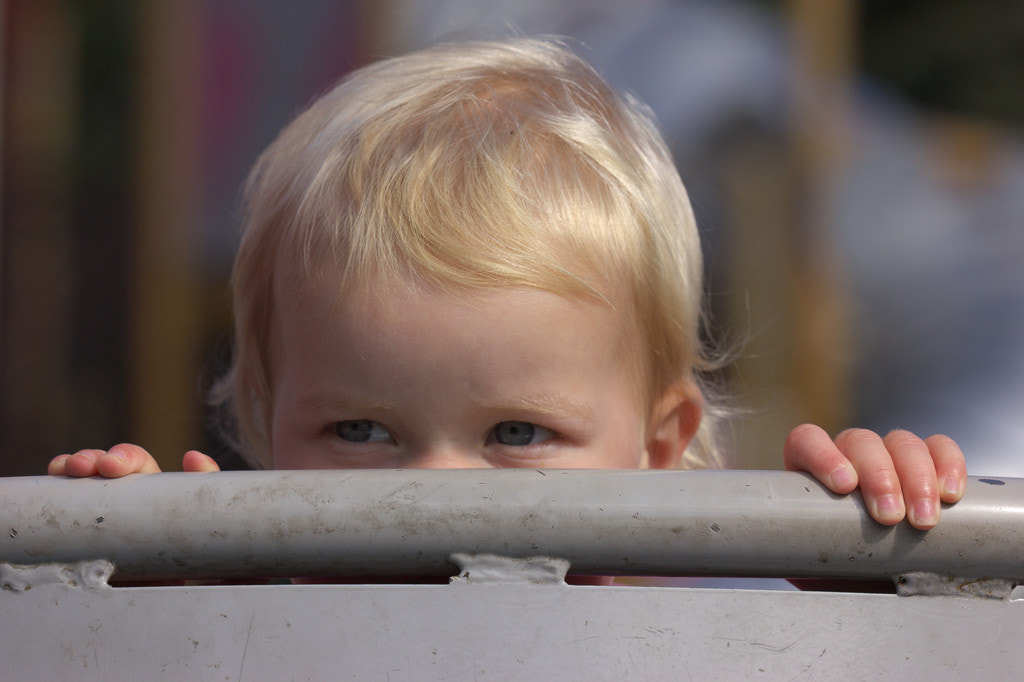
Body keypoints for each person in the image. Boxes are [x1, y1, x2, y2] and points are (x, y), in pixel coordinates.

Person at [48, 37, 964, 531]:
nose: (436, 493)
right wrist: (139, 587)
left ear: (656, 446)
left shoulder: (693, 620)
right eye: (359, 430)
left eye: (519, 432)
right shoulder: (250, 614)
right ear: (265, 418)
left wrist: (862, 557)